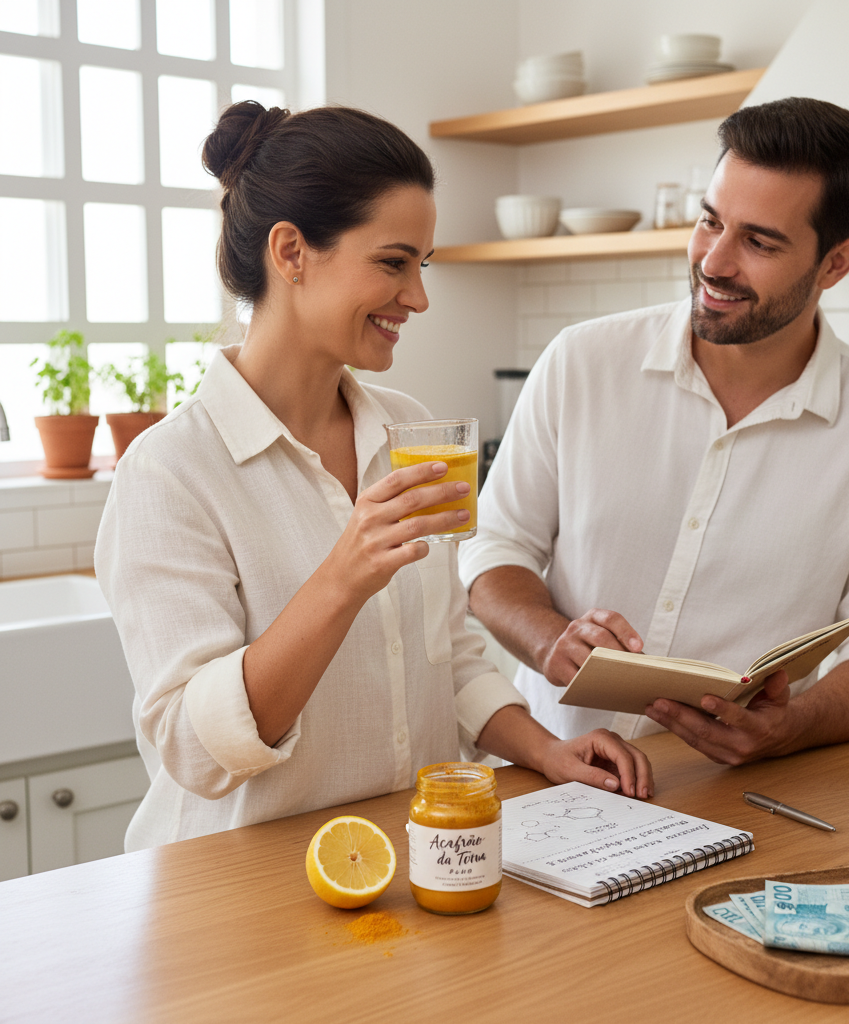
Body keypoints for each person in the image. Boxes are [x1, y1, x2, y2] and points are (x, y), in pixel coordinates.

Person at [95, 101, 651, 852]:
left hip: (411, 862)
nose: (418, 297)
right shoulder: (169, 473)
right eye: (393, 263)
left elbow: (445, 655)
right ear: (290, 252)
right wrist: (342, 577)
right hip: (240, 894)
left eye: (422, 267)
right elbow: (195, 750)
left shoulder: (405, 429)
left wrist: (543, 748)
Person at [459, 97, 849, 766]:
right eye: (710, 221)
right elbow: (493, 547)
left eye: (759, 241)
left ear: (836, 263)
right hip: (555, 774)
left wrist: (793, 724)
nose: (714, 261)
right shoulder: (583, 361)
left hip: (745, 797)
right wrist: (548, 639)